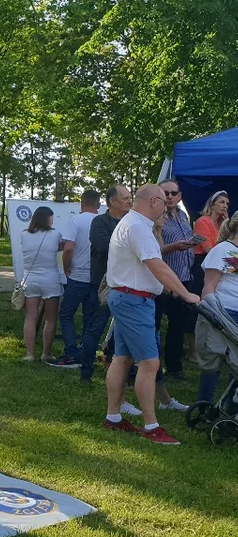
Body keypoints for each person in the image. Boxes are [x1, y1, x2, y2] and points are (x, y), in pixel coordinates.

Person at [101, 185, 200, 445]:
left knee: (122, 358)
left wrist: (168, 288)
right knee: (149, 363)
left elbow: (148, 268)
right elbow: (157, 265)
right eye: (164, 201)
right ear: (154, 201)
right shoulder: (138, 227)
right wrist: (186, 293)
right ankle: (151, 426)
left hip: (127, 297)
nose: (166, 206)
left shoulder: (131, 223)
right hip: (134, 301)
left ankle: (113, 418)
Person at [80, 185, 133, 383]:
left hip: (128, 284)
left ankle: (127, 373)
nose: (130, 201)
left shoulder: (132, 222)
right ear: (112, 201)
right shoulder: (99, 222)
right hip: (103, 284)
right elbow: (104, 247)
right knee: (95, 328)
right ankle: (86, 373)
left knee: (127, 330)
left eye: (131, 198)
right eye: (126, 198)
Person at [195, 211, 238, 405]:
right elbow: (209, 286)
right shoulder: (224, 250)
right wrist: (208, 314)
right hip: (224, 311)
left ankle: (228, 408)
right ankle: (205, 405)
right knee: (213, 362)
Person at [55, 190, 101, 368]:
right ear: (98, 205)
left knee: (66, 314)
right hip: (96, 276)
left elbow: (68, 248)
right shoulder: (102, 222)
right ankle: (86, 351)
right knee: (90, 317)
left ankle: (71, 352)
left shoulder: (75, 221)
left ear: (81, 204)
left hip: (77, 276)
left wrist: (66, 266)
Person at [155, 179, 195, 380]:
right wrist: (173, 247)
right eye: (166, 193)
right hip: (162, 281)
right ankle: (150, 366)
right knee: (154, 325)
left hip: (184, 277)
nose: (170, 197)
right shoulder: (155, 218)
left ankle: (174, 367)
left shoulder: (183, 216)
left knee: (177, 325)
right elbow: (151, 251)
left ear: (179, 196)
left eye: (173, 193)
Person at [187, 190, 230, 362]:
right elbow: (209, 250)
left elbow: (229, 247)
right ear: (212, 205)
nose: (224, 206)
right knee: (197, 305)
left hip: (217, 267)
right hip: (202, 265)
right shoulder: (202, 222)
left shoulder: (222, 226)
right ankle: (192, 349)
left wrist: (227, 224)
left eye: (227, 203)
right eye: (221, 202)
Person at [19, 206, 63, 363]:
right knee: (51, 319)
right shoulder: (56, 234)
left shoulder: (24, 235)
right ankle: (46, 352)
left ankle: (29, 353)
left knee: (30, 318)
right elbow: (59, 247)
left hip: (30, 280)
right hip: (50, 280)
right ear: (47, 218)